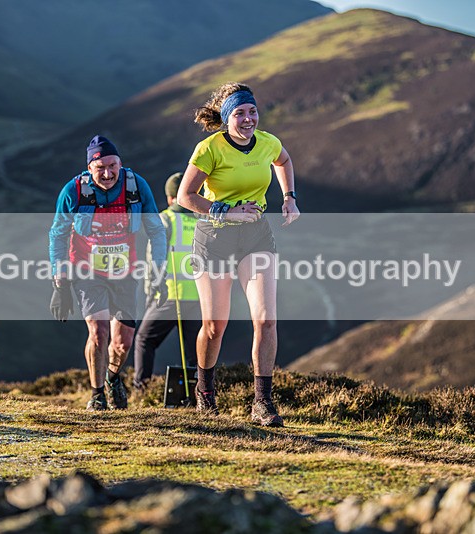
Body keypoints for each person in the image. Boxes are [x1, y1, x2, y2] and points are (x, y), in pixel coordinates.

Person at [177, 82, 299, 427]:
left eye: (252, 111)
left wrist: (289, 197)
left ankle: (262, 403)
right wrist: (225, 211)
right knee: (215, 326)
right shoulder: (209, 149)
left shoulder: (268, 143)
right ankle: (205, 392)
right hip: (214, 238)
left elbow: (284, 159)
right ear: (227, 117)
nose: (248, 119)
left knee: (266, 319)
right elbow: (186, 196)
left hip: (256, 235)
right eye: (240, 113)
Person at [48, 135, 168, 411]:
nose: (107, 173)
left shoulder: (136, 187)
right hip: (87, 271)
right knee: (99, 331)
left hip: (125, 273)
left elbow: (156, 230)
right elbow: (58, 235)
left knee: (123, 342)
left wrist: (157, 270)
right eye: (100, 167)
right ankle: (97, 393)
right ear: (89, 168)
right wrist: (60, 282)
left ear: (120, 164)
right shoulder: (73, 191)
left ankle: (113, 377)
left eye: (112, 165)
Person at [133, 172, 201, 390]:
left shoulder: (164, 219)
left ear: (171, 197)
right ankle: (198, 395)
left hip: (170, 295)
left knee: (145, 339)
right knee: (196, 350)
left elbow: (155, 259)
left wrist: (150, 291)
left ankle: (140, 389)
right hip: (199, 296)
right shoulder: (204, 222)